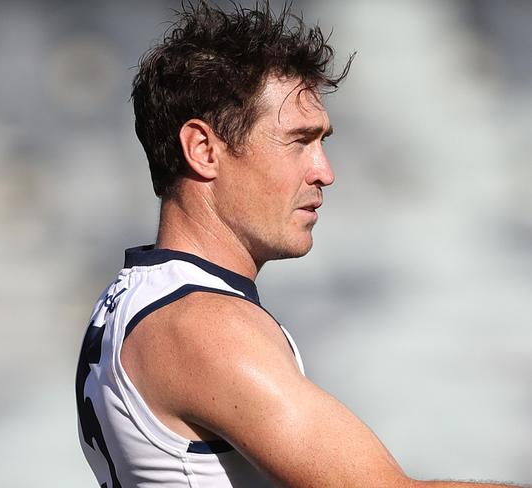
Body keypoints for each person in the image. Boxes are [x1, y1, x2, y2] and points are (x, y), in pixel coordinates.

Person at [75, 2, 524, 487]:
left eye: (322, 142)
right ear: (204, 150)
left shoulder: (137, 299)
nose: (325, 172)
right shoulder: (204, 325)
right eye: (298, 142)